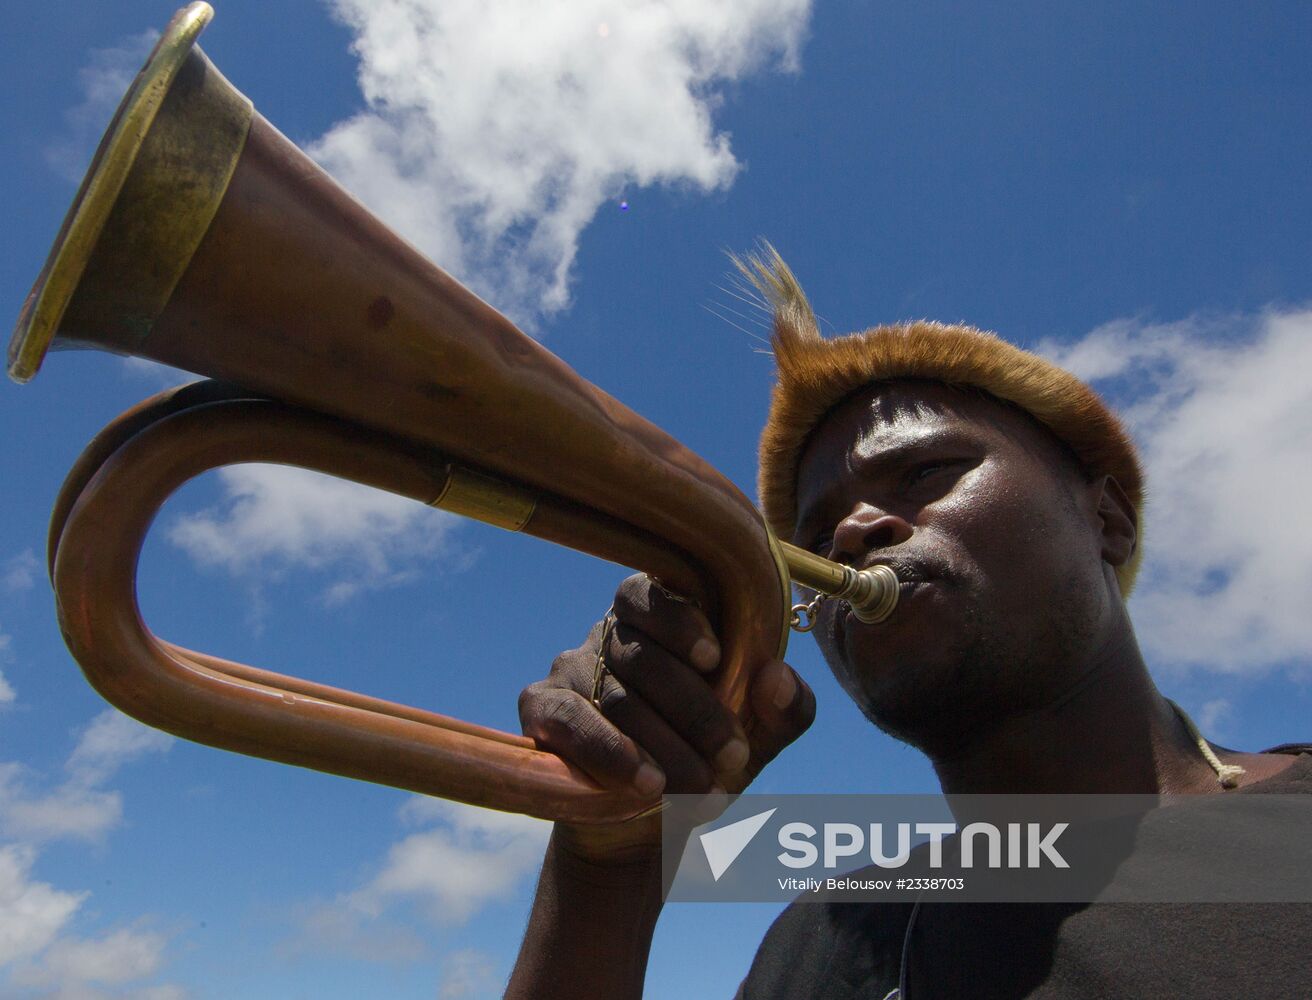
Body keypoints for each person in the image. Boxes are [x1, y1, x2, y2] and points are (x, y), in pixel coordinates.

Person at [504, 246, 1311, 999]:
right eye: (815, 538)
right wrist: (612, 860)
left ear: (1108, 521)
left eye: (927, 471)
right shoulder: (821, 939)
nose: (852, 532)